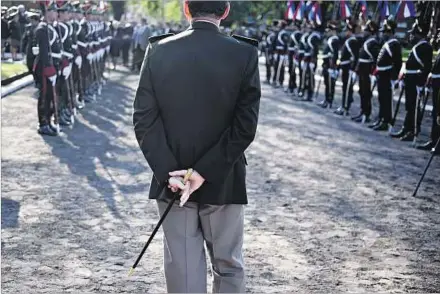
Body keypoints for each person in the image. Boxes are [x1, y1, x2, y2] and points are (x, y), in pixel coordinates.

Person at [132, 1, 261, 292]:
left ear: (185, 8)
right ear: (225, 10)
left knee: (184, 272)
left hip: (173, 180)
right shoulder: (244, 53)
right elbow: (245, 127)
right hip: (223, 177)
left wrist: (171, 172)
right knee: (228, 268)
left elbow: (143, 119)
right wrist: (203, 171)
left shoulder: (159, 50)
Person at [390, 19, 432, 141]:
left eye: (413, 33)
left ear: (419, 34)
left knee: (414, 106)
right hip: (410, 78)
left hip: (416, 80)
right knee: (409, 105)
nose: (411, 35)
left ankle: (413, 131)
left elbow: (427, 66)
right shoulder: (417, 47)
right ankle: (406, 127)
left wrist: (421, 82)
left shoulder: (426, 47)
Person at [369, 18, 402, 131]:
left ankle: (386, 121)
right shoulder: (387, 43)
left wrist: (394, 78)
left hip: (387, 75)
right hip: (381, 75)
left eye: (385, 32)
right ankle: (381, 119)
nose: (382, 34)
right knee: (381, 98)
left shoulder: (394, 44)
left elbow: (397, 62)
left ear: (390, 32)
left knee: (387, 100)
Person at [352, 19, 381, 123]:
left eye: (366, 30)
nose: (363, 32)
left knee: (366, 93)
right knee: (362, 91)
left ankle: (366, 113)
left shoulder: (373, 43)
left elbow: (376, 59)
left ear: (370, 31)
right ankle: (362, 111)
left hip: (367, 70)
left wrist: (373, 72)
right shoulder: (366, 42)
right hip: (362, 70)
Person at [417, 28, 440, 151]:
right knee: (436, 113)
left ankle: (436, 142)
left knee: (438, 114)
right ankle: (434, 140)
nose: (437, 37)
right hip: (436, 85)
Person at [334, 18, 359, 116]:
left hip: (349, 68)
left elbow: (355, 57)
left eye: (347, 30)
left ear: (350, 31)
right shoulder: (349, 40)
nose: (345, 32)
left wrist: (352, 69)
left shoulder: (353, 41)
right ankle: (343, 105)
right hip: (345, 67)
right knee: (345, 88)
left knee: (348, 88)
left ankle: (345, 107)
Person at [318, 20, 340, 109]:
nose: (327, 32)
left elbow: (335, 54)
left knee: (330, 84)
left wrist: (333, 65)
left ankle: (329, 100)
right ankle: (326, 99)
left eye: (329, 30)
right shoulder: (330, 39)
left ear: (333, 31)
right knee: (327, 83)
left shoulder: (335, 40)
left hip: (330, 64)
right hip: (326, 63)